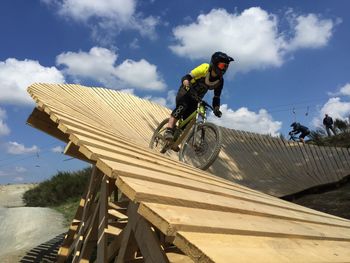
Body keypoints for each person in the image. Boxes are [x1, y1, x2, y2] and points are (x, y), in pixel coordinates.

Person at [164, 51, 234, 140]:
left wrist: (216, 109)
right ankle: (169, 130)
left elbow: (216, 97)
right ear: (215, 63)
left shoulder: (220, 81)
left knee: (189, 118)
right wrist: (186, 83)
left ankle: (176, 139)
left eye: (226, 66)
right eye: (222, 65)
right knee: (182, 106)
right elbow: (187, 77)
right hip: (186, 91)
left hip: (197, 98)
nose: (224, 69)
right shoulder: (205, 68)